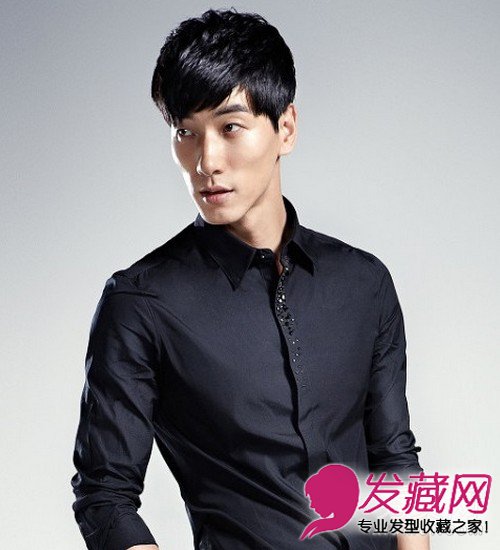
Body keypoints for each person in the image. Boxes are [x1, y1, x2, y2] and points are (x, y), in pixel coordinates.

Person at [70, 8, 429, 550]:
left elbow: (395, 459)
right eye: (186, 132)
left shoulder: (364, 283)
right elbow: (105, 495)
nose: (206, 161)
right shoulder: (142, 303)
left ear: (286, 128)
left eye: (230, 127)